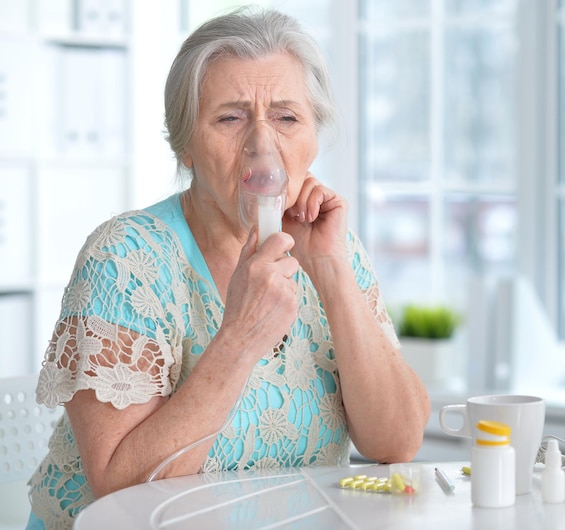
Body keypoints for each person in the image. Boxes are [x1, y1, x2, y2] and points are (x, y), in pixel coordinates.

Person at [26, 7, 430, 529]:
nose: (263, 146)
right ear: (185, 145)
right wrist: (239, 336)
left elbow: (396, 442)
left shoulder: (335, 247)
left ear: (314, 136)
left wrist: (331, 273)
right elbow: (121, 493)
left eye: (287, 118)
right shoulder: (125, 258)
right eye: (230, 118)